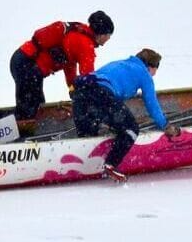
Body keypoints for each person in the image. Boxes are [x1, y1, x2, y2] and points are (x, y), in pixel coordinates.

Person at [71, 48, 180, 182]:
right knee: (131, 129)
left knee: (88, 132)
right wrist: (165, 125)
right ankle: (111, 164)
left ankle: (79, 158)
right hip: (102, 92)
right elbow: (152, 104)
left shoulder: (119, 64)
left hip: (80, 91)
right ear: (150, 66)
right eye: (154, 71)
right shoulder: (143, 73)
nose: (153, 76)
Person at [10, 10, 114, 121]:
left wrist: (72, 88)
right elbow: (88, 78)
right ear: (101, 34)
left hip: (22, 59)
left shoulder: (79, 32)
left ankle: (25, 124)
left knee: (36, 104)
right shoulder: (86, 45)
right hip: (28, 65)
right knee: (29, 109)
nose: (108, 39)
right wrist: (97, 100)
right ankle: (17, 129)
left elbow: (69, 65)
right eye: (108, 35)